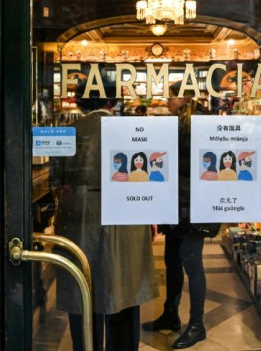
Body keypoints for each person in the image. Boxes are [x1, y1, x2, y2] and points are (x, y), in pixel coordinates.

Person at [51, 82, 157, 351]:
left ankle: (87, 345)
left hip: (80, 217)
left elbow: (57, 181)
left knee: (83, 289)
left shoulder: (70, 132)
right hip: (126, 215)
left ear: (80, 101)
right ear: (113, 102)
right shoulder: (131, 132)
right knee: (124, 289)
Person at [142, 86, 220, 349]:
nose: (166, 100)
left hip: (193, 206)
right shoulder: (179, 124)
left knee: (192, 263)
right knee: (172, 260)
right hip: (176, 204)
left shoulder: (197, 125)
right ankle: (171, 314)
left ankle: (197, 325)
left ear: (184, 98)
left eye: (171, 95)